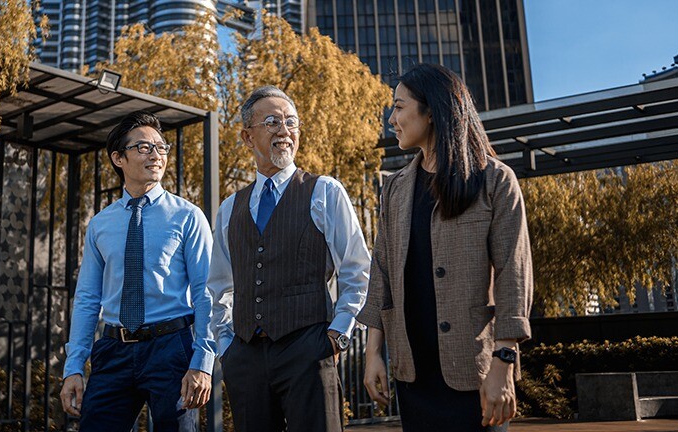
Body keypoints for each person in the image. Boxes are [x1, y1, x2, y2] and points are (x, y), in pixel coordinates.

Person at [358, 63, 533, 431]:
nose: (391, 118)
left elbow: (513, 276)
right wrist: (373, 352)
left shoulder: (495, 181)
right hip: (413, 375)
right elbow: (382, 272)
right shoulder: (395, 188)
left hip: (476, 372)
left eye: (399, 106)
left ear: (433, 112)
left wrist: (504, 360)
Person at [208, 85, 371, 432]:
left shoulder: (324, 191)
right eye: (272, 122)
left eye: (291, 122)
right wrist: (226, 347)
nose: (285, 130)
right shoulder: (229, 209)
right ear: (248, 137)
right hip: (245, 357)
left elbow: (357, 271)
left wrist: (337, 335)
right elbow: (219, 288)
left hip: (309, 351)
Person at [60, 111, 216, 431]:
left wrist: (203, 362)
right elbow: (88, 298)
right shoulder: (101, 224)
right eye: (144, 147)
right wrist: (73, 367)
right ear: (119, 158)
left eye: (161, 147)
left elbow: (207, 292)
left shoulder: (188, 217)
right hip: (112, 350)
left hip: (172, 347)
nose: (156, 154)